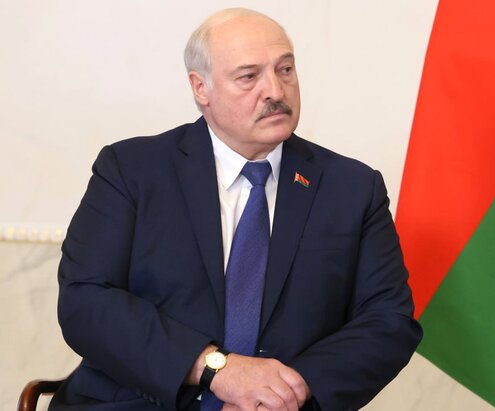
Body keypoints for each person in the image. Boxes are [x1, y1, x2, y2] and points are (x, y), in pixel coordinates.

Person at [50, 8, 422, 411]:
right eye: (249, 77)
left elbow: (388, 321)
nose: (275, 91)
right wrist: (217, 370)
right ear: (201, 88)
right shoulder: (132, 170)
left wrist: (283, 392)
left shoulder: (352, 188)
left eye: (285, 70)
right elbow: (85, 299)